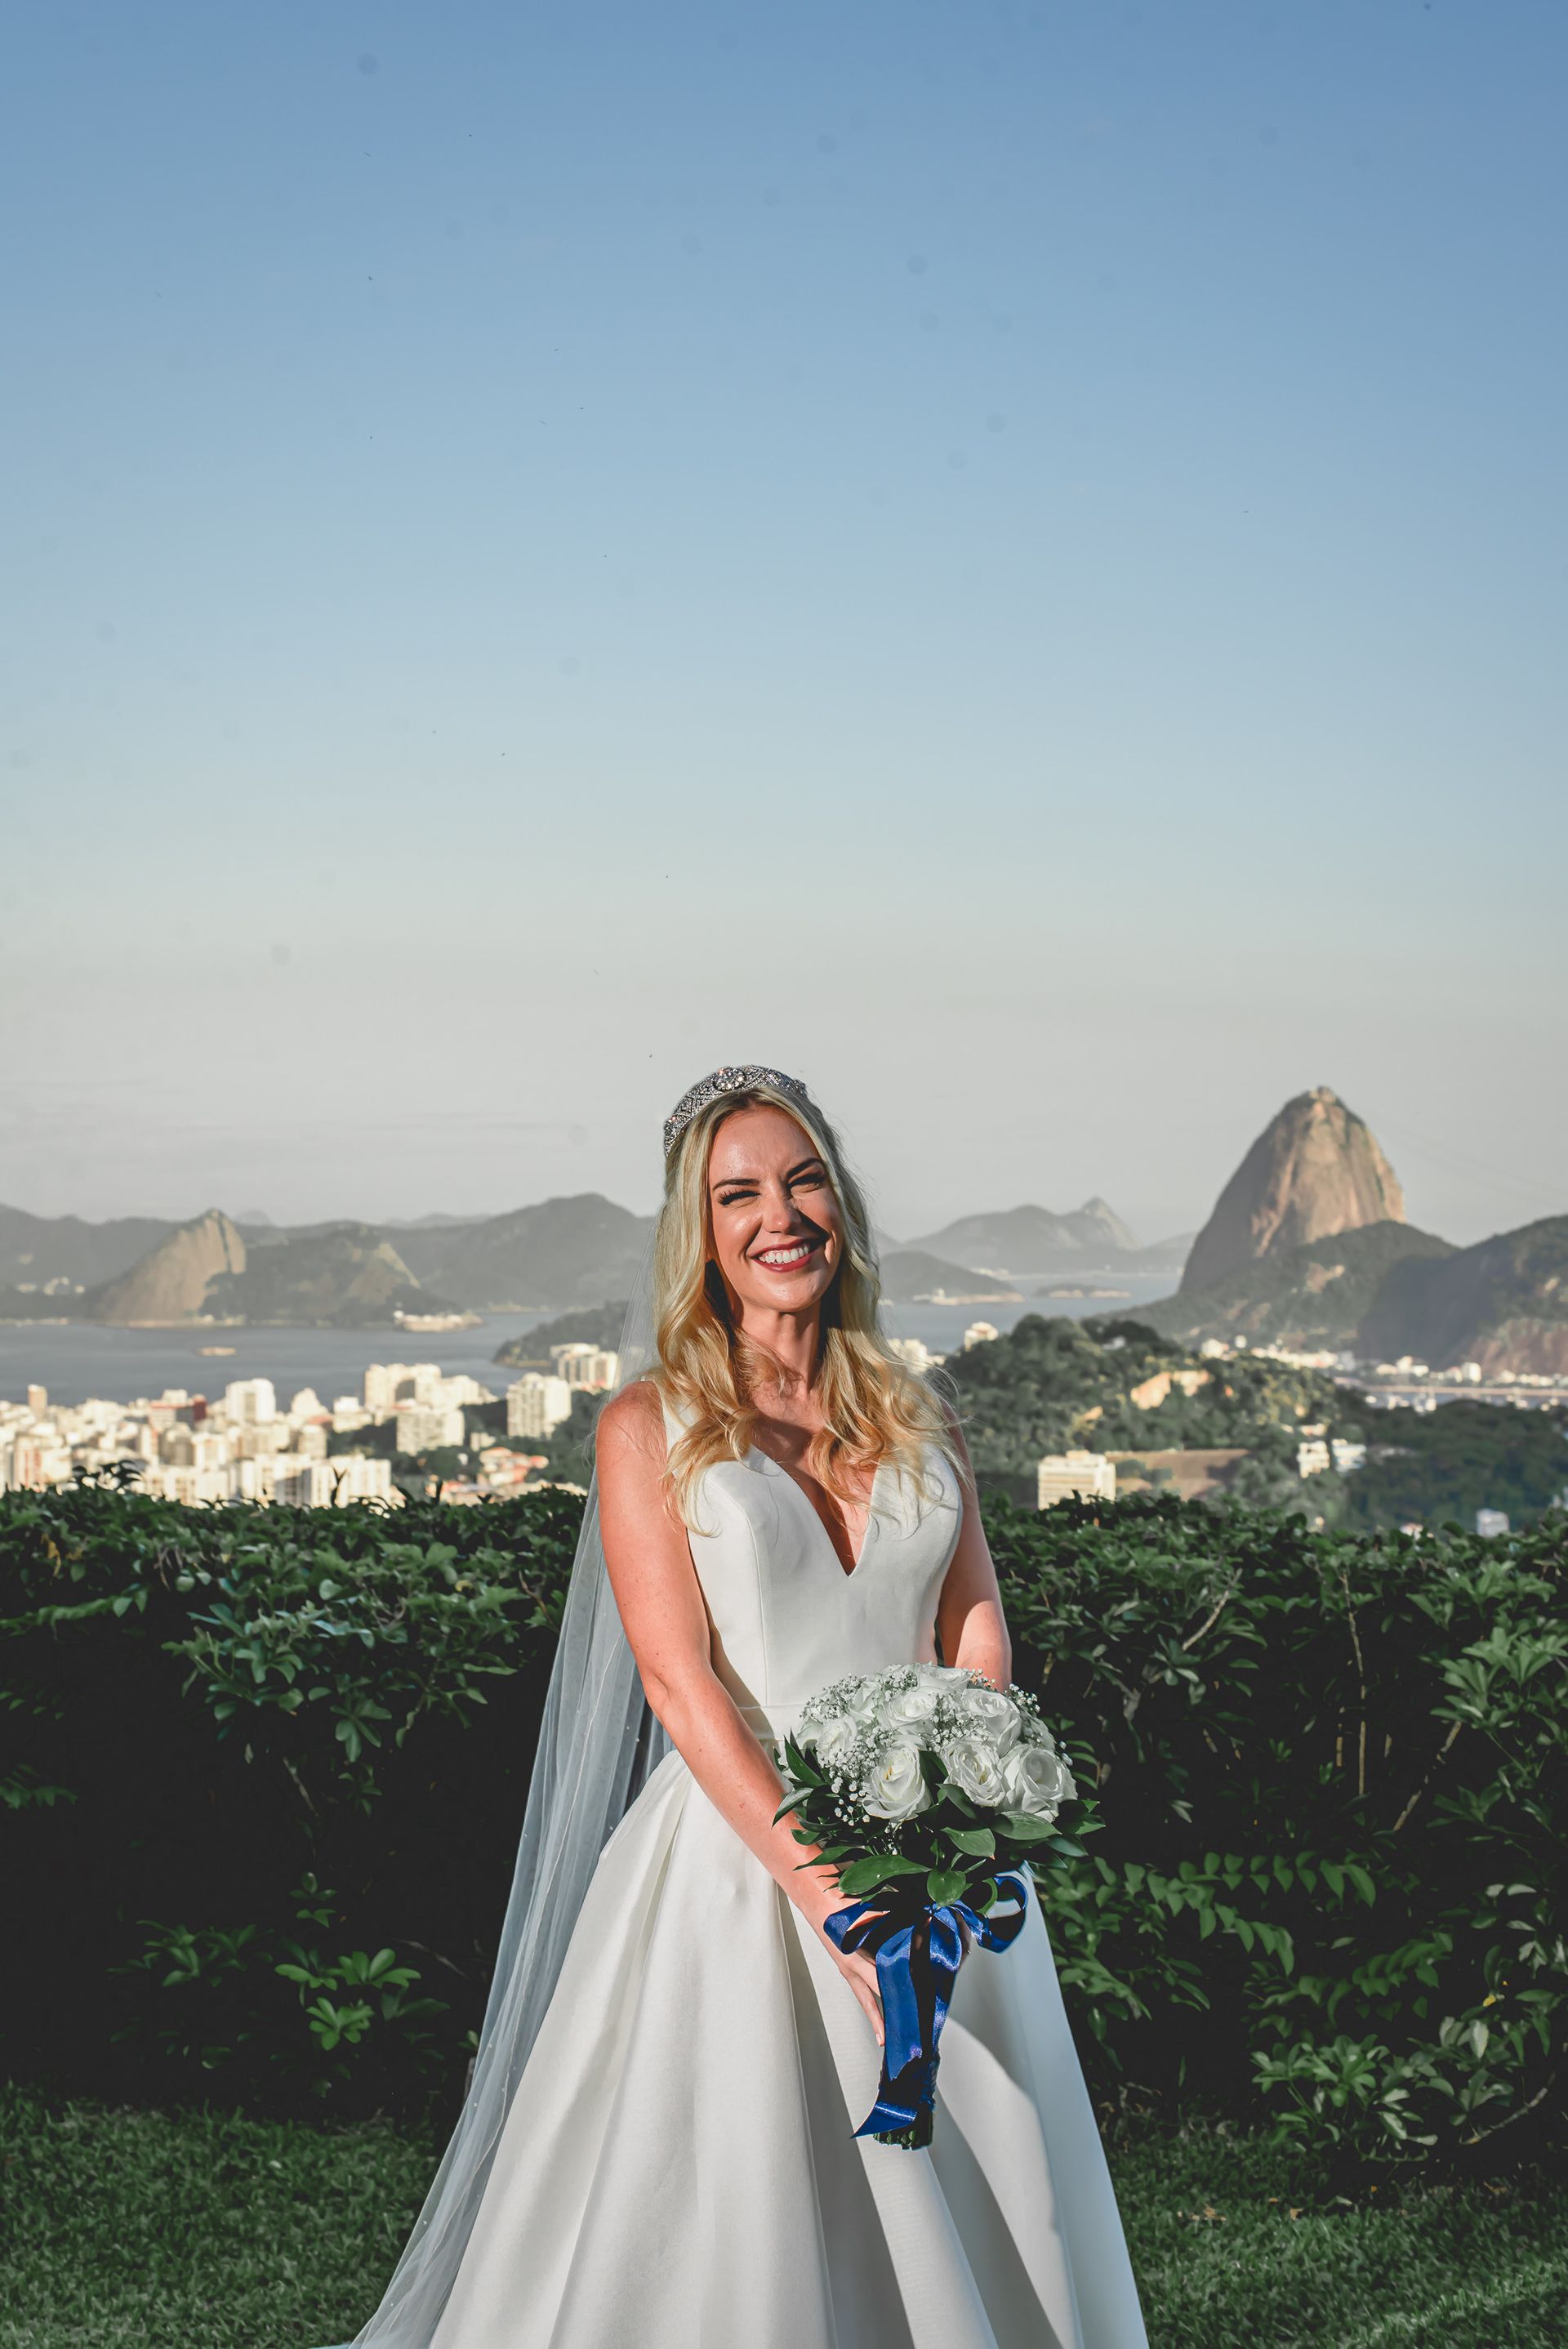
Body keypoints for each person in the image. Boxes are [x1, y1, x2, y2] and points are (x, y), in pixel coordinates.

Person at [341, 1067, 1147, 2349]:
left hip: (937, 1857)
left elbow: (975, 1625)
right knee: (745, 2215)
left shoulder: (923, 1414)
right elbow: (678, 1681)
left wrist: (957, 1818)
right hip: (743, 1867)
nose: (782, 1215)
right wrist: (838, 1898)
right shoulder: (645, 1427)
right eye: (740, 1194)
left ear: (842, 1202)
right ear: (700, 1233)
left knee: (1001, 2199)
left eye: (804, 1179)